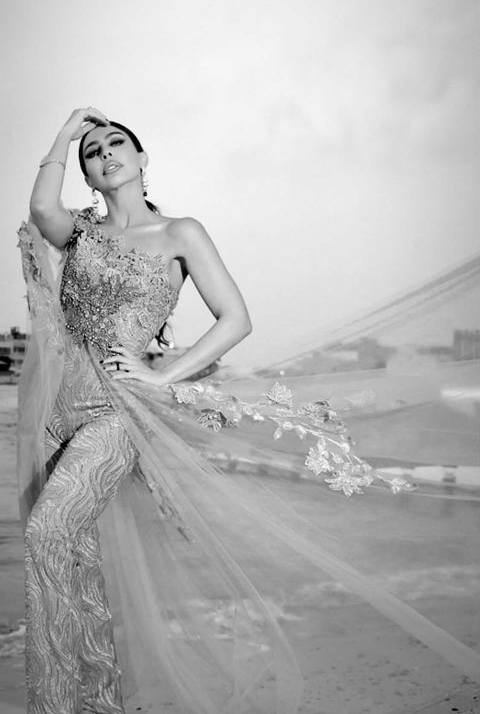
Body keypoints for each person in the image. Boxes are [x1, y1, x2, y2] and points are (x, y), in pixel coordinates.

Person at [17, 107, 480, 714]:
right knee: (72, 554)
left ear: (142, 158)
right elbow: (41, 208)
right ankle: (90, 701)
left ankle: (56, 705)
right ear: (87, 176)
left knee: (46, 530)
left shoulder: (180, 233)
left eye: (116, 143)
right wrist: (65, 132)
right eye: (92, 151)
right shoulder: (78, 233)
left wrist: (161, 376)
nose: (105, 153)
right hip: (60, 414)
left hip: (118, 411)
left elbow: (235, 318)